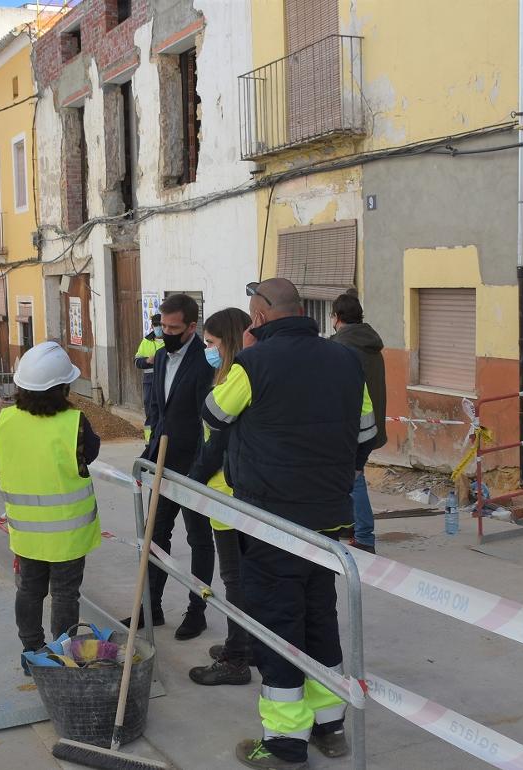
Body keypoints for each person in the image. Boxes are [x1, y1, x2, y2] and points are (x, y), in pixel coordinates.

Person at [204, 278, 365, 769]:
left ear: (260, 318)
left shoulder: (252, 364)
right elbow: (367, 434)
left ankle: (283, 743)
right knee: (320, 617)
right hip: (330, 522)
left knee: (278, 626)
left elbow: (213, 414)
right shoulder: (345, 360)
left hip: (272, 522)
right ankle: (330, 725)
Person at [0, 341, 102, 674]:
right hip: (69, 535)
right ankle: (62, 657)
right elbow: (90, 453)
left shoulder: (4, 422)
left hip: (28, 534)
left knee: (30, 590)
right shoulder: (75, 422)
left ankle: (32, 650)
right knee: (65, 594)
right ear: (62, 388)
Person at [124, 293, 215, 640]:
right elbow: (162, 413)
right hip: (163, 463)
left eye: (174, 327)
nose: (166, 332)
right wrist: (149, 453)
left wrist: (201, 466)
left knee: (199, 540)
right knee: (155, 535)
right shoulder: (160, 358)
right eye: (163, 325)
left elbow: (206, 419)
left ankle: (197, 611)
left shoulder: (206, 362)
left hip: (195, 468)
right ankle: (151, 607)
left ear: (192, 327)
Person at [187, 308, 254, 687]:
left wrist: (194, 477)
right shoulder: (232, 375)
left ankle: (236, 658)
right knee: (243, 578)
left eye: (211, 343)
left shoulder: (237, 379)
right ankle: (244, 641)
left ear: (227, 341)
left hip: (228, 495)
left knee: (235, 579)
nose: (207, 350)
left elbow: (219, 442)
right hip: (229, 493)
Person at [330, 289, 384, 554]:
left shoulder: (341, 346)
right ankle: (351, 527)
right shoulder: (370, 343)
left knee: (354, 478)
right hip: (370, 421)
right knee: (348, 476)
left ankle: (364, 536)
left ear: (337, 317)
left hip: (352, 422)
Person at [134, 313, 165, 441]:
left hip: (164, 382)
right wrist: (147, 361)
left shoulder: (171, 342)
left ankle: (161, 441)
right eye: (156, 325)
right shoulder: (146, 341)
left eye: (160, 325)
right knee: (150, 413)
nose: (158, 328)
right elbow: (136, 362)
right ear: (152, 326)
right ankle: (149, 442)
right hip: (150, 383)